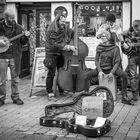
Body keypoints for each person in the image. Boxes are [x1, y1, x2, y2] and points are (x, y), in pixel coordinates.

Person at [85, 30, 133, 105]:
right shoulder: (99, 47)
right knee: (86, 75)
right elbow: (96, 60)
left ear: (108, 37)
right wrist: (100, 71)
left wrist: (112, 73)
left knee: (124, 75)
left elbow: (117, 62)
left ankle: (124, 95)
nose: (102, 37)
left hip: (112, 68)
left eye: (103, 36)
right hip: (101, 69)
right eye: (101, 36)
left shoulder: (115, 48)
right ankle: (86, 95)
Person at [0, 9, 30, 107]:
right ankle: (1, 98)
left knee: (15, 79)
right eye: (11, 18)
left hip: (15, 55)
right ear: (6, 17)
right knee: (1, 80)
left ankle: (16, 97)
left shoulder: (19, 28)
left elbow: (23, 42)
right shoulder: (0, 26)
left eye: (14, 18)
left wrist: (26, 37)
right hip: (2, 56)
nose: (13, 19)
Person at [44, 14, 76, 101]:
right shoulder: (51, 30)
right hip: (51, 54)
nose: (64, 23)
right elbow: (54, 45)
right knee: (51, 73)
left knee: (61, 72)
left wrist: (76, 28)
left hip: (60, 53)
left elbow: (71, 33)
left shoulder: (63, 28)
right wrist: (68, 47)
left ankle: (61, 90)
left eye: (65, 22)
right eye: (62, 21)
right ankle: (50, 93)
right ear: (57, 21)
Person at [121, 20, 140, 101]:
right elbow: (121, 34)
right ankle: (135, 95)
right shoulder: (130, 30)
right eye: (134, 28)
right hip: (132, 56)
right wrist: (124, 43)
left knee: (134, 76)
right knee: (132, 76)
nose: (135, 30)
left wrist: (133, 44)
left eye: (137, 28)